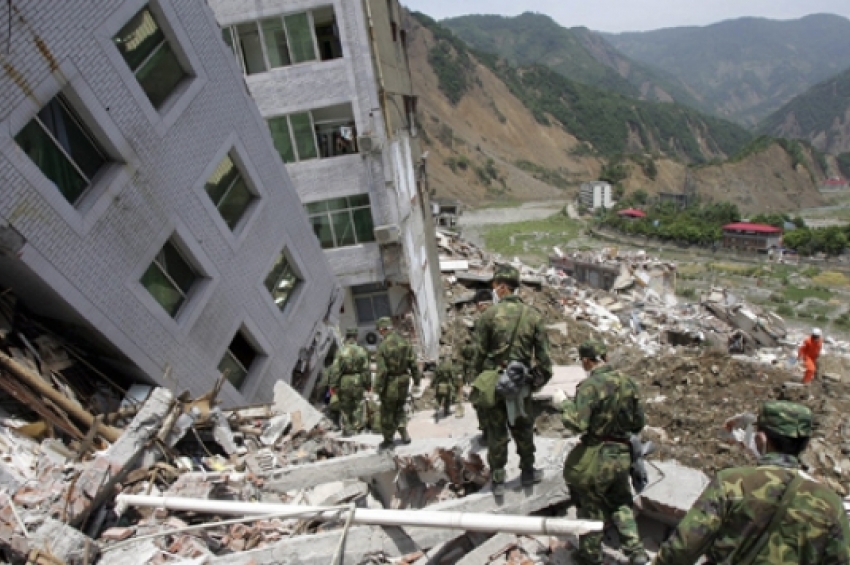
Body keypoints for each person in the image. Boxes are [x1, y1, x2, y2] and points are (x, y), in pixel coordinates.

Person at [655, 400, 850, 564]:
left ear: (760, 439)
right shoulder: (831, 504)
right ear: (805, 445)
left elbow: (684, 547)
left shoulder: (732, 482)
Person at [554, 340, 648, 565]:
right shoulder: (629, 383)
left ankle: (590, 556)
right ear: (605, 357)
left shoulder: (589, 386)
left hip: (596, 456)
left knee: (591, 507)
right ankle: (636, 552)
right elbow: (638, 423)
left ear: (587, 361)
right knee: (621, 501)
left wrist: (563, 404)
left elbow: (577, 424)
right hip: (621, 454)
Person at [473, 264, 552, 495]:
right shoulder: (533, 316)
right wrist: (536, 382)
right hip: (521, 384)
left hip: (495, 383)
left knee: (496, 432)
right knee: (523, 428)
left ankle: (498, 480)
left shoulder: (488, 316)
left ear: (501, 287)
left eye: (495, 286)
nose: (494, 290)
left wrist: (479, 380)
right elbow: (545, 361)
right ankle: (528, 472)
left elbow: (479, 354)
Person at [374, 316, 421, 450]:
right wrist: (417, 380)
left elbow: (382, 371)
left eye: (379, 330)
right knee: (400, 407)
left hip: (391, 383)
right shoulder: (404, 342)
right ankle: (404, 433)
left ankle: (388, 440)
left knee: (387, 411)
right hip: (404, 381)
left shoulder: (383, 346)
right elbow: (413, 363)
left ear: (382, 329)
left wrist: (377, 388)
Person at [328, 328, 370, 436]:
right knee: (358, 404)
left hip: (344, 380)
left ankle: (347, 428)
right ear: (356, 337)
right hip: (358, 380)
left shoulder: (341, 351)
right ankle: (357, 428)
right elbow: (366, 369)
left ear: (347, 337)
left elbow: (335, 369)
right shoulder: (361, 351)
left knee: (345, 405)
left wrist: (333, 385)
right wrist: (368, 384)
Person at [431, 355, 459, 419]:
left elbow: (434, 377)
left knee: (438, 398)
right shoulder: (448, 366)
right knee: (447, 398)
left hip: (439, 385)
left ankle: (436, 408)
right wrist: (454, 383)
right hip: (447, 385)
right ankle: (446, 411)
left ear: (440, 359)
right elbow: (452, 376)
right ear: (445, 358)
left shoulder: (438, 367)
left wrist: (432, 385)